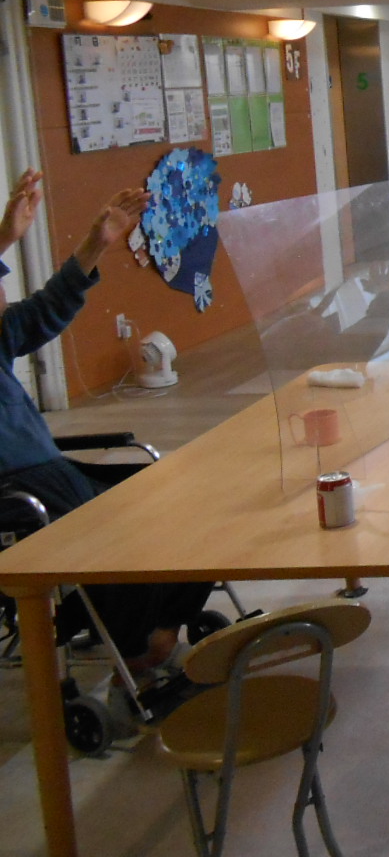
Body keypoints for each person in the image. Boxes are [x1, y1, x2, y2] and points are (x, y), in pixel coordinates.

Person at [0, 170, 212, 673]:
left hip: (47, 473)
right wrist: (4, 239)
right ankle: (137, 649)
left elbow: (47, 308)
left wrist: (97, 243)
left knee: (180, 498)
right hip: (16, 488)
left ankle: (161, 628)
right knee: (116, 531)